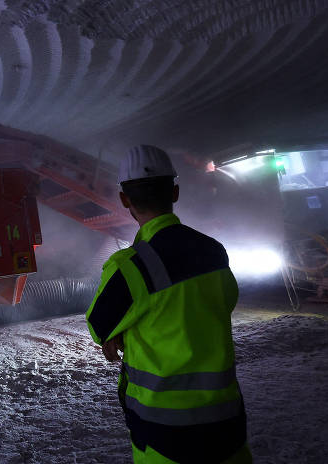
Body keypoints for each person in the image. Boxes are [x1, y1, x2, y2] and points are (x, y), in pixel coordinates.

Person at [86, 144, 251, 464]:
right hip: (227, 425)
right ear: (174, 192)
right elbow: (222, 303)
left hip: (164, 436)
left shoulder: (129, 267)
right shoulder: (214, 251)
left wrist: (120, 331)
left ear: (124, 200)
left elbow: (98, 326)